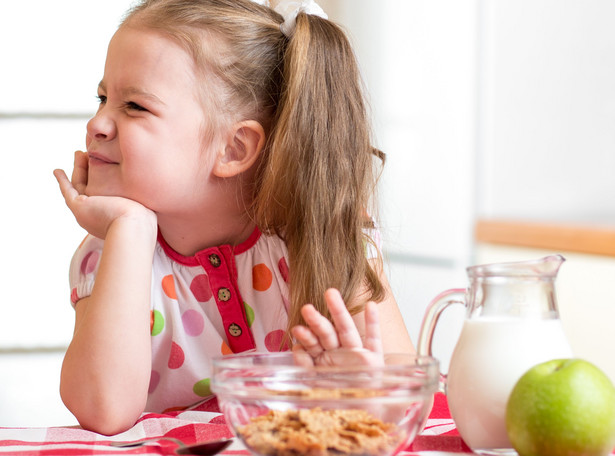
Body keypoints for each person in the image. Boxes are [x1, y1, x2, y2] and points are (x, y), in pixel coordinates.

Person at [54, 0, 414, 435]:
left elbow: (407, 389)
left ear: (233, 149)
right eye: (102, 97)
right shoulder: (113, 254)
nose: (97, 123)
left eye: (134, 106)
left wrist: (367, 392)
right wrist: (130, 230)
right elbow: (102, 411)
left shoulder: (321, 235)